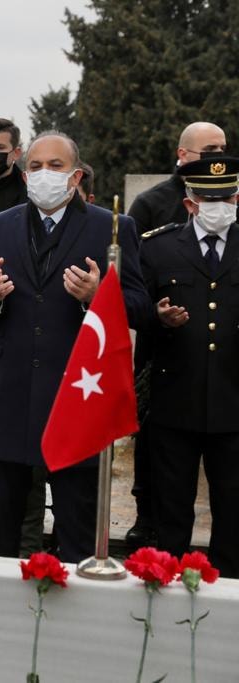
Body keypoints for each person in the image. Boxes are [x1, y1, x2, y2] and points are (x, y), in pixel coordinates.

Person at [0, 131, 149, 564]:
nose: (44, 174)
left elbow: (139, 306)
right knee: (0, 531)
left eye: (56, 166)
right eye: (36, 166)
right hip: (9, 396)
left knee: (77, 528)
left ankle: (75, 621)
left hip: (78, 397)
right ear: (25, 177)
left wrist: (98, 295)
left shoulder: (112, 228)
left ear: (76, 175)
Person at [126, 121, 227, 549]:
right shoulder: (152, 208)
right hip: (164, 359)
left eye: (222, 148)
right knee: (158, 456)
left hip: (225, 370)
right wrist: (155, 315)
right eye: (208, 150)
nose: (217, 156)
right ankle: (146, 516)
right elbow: (133, 285)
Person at [139, 156, 239, 578]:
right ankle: (168, 589)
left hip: (234, 404)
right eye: (207, 199)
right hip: (174, 401)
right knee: (173, 512)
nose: (219, 206)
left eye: (228, 198)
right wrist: (156, 318)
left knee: (233, 514)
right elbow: (132, 310)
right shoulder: (158, 247)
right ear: (189, 203)